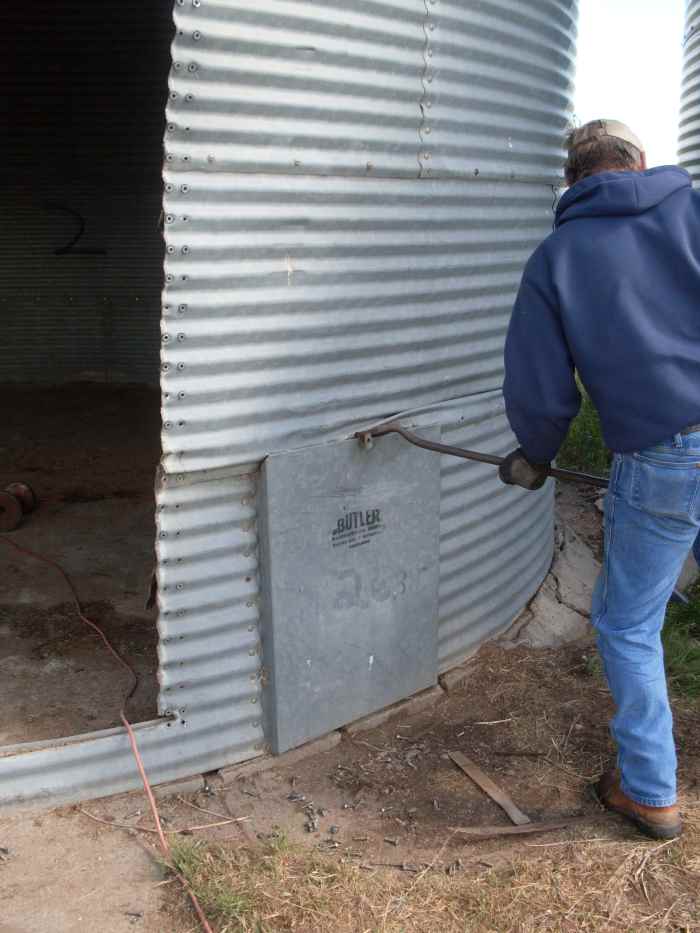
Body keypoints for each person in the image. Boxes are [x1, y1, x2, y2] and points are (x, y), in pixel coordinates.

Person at [499, 119, 700, 840]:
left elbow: (544, 386)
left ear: (570, 180)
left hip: (664, 453)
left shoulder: (557, 256)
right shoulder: (693, 208)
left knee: (626, 623)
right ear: (639, 162)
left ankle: (649, 789)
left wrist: (536, 453)